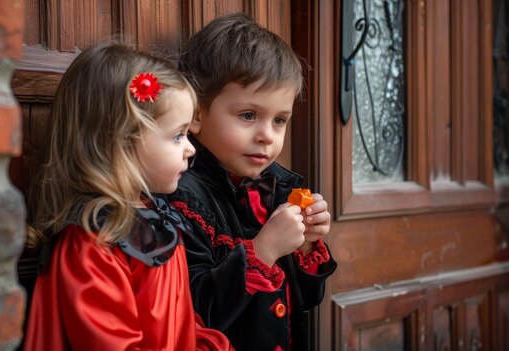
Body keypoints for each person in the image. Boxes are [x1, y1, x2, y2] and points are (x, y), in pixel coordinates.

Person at [22, 41, 233, 351]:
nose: (190, 148)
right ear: (121, 142)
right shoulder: (93, 245)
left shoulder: (154, 218)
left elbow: (182, 324)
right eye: (177, 135)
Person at [167, 13, 337, 351]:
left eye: (279, 120)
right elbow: (195, 311)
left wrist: (304, 246)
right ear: (197, 115)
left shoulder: (281, 189)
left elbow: (306, 300)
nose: (266, 136)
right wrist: (263, 251)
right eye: (248, 115)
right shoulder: (182, 197)